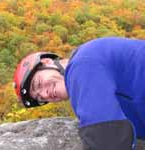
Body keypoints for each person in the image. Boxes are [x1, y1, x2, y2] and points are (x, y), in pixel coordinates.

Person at [13, 37, 145, 150]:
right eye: (40, 98)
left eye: (38, 84)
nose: (45, 94)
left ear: (47, 62)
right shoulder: (87, 85)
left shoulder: (81, 65)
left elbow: (108, 138)